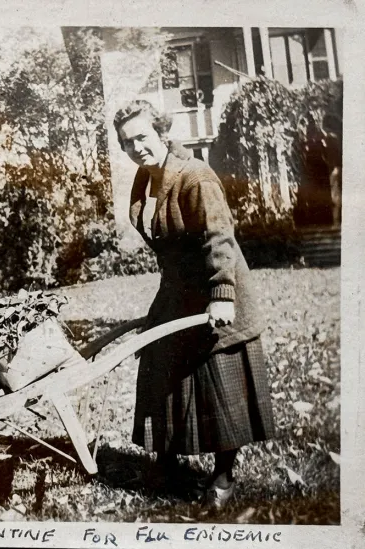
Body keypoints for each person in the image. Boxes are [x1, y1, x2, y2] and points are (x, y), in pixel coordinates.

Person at [113, 100, 275, 508]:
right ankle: (166, 462)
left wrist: (222, 293)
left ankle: (223, 477)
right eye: (128, 142)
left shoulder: (195, 176)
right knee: (159, 367)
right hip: (179, 290)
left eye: (143, 137)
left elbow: (219, 236)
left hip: (214, 287)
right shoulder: (144, 180)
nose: (137, 148)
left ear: (162, 132)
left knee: (220, 379)